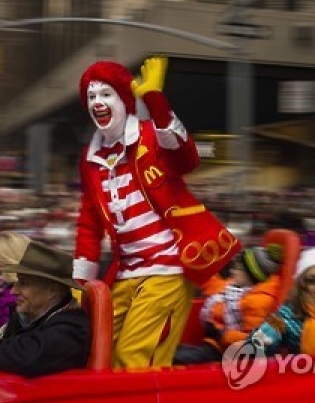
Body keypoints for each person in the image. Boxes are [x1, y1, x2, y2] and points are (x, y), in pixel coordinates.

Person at [72, 56, 241, 368]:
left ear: (123, 99)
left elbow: (186, 158)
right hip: (125, 273)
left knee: (134, 358)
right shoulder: (90, 157)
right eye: (91, 96)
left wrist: (155, 101)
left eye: (105, 94)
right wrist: (80, 284)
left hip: (168, 268)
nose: (97, 102)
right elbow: (89, 222)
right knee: (98, 353)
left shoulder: (150, 135)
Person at [0, 238, 90, 377]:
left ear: (52, 291)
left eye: (24, 283)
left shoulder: (70, 330)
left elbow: (29, 356)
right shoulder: (28, 318)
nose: (14, 291)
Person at [173, 244, 283, 364]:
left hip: (228, 355)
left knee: (176, 358)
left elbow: (253, 341)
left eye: (238, 268)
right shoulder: (232, 287)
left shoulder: (259, 302)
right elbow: (212, 283)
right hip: (213, 344)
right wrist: (195, 260)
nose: (232, 271)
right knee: (167, 351)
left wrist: (222, 335)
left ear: (252, 274)